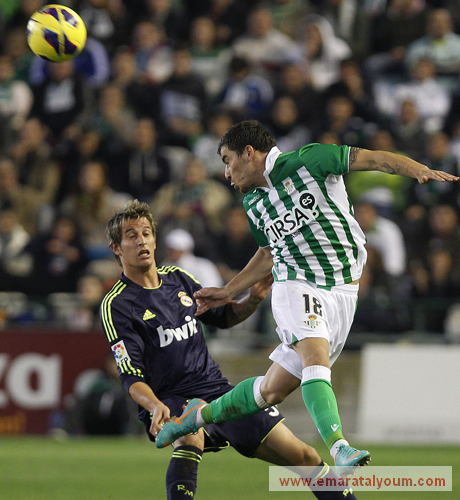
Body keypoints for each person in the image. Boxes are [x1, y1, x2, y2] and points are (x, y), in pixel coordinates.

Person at [155, 119, 459, 476]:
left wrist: (417, 170)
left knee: (270, 392)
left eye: (227, 160)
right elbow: (268, 254)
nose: (226, 172)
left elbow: (375, 159)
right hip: (295, 283)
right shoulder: (253, 203)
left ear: (248, 153)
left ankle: (196, 416)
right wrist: (228, 291)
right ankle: (340, 446)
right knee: (316, 358)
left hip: (343, 290)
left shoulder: (309, 160)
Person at [101, 200, 358, 500]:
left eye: (146, 233)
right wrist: (155, 405)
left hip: (218, 391)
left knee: (305, 457)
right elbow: (130, 376)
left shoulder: (178, 279)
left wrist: (252, 300)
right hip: (169, 398)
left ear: (155, 240)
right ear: (116, 248)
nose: (141, 241)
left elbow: (223, 318)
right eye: (131, 235)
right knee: (189, 437)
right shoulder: (117, 304)